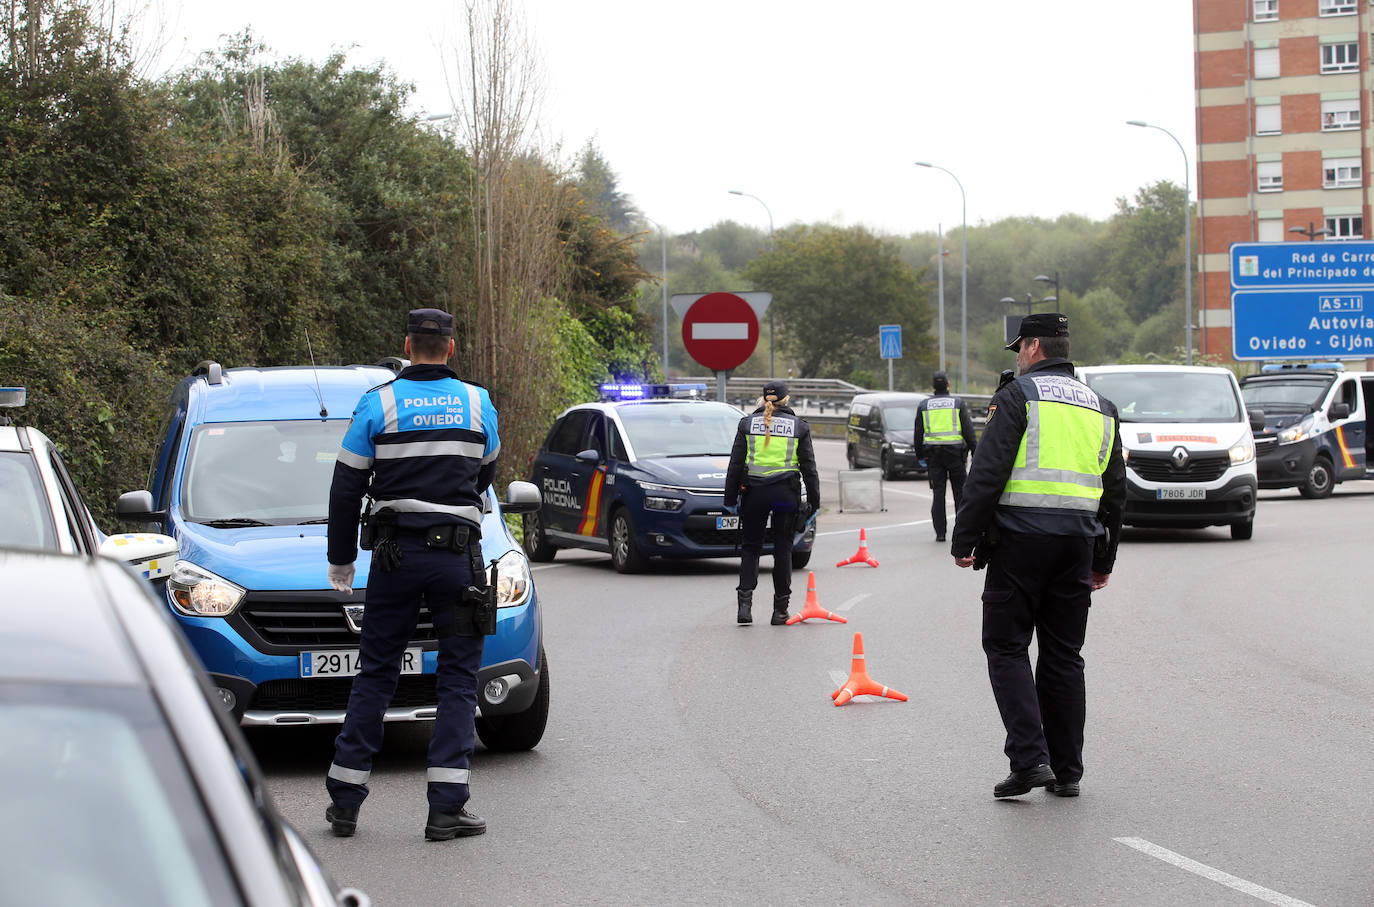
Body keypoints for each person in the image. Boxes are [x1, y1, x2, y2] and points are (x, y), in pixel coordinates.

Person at [323, 307, 501, 841]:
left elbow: (346, 486)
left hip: (396, 557)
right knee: (457, 681)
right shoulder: (477, 401)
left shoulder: (377, 403)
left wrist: (341, 559)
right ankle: (446, 809)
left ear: (407, 344)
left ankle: (346, 804)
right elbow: (486, 471)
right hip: (456, 560)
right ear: (450, 348)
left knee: (377, 673)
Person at [949, 312, 1125, 800]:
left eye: (1019, 350)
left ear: (1030, 347)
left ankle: (1030, 760)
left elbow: (986, 474)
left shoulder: (1017, 397)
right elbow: (1115, 492)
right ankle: (1067, 770)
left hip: (1021, 542)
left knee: (1006, 647)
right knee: (1064, 655)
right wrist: (1103, 560)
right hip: (1076, 545)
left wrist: (964, 540)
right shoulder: (1102, 407)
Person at [723, 380, 821, 626]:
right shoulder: (799, 427)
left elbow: (735, 465)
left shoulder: (746, 424)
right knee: (783, 549)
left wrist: (729, 498)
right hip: (784, 497)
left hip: (754, 494)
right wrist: (814, 502)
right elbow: (809, 468)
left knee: (751, 548)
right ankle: (780, 612)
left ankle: (744, 609)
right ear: (786, 400)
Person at [912, 370, 977, 543]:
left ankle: (940, 533)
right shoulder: (957, 403)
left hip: (933, 456)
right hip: (955, 455)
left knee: (938, 494)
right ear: (948, 385)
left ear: (933, 387)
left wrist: (919, 455)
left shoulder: (924, 405)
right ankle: (961, 532)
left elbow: (918, 433)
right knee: (960, 494)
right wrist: (974, 451)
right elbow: (968, 431)